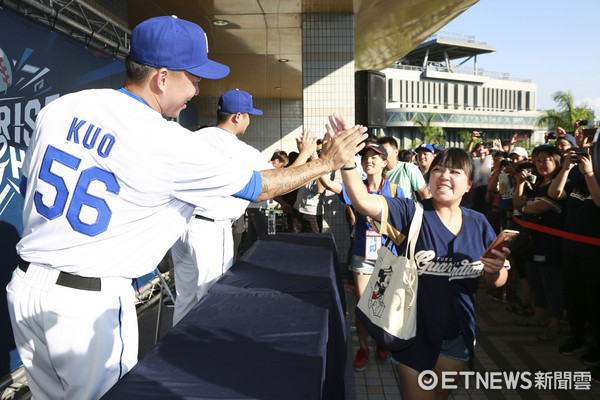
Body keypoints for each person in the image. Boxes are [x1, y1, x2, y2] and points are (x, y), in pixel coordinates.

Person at [7, 15, 368, 400]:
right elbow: (259, 187)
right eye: (193, 78)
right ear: (162, 78)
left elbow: (29, 184)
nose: (196, 90)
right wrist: (326, 162)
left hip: (26, 287)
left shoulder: (64, 107)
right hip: (86, 304)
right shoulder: (167, 140)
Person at [335, 138, 510, 398]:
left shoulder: (479, 223)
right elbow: (362, 201)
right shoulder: (410, 211)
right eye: (438, 169)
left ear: (469, 184)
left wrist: (496, 270)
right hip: (411, 332)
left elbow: (499, 279)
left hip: (457, 335)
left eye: (455, 171)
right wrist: (347, 162)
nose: (444, 176)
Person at [170, 89, 314, 325]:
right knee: (211, 296)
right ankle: (202, 355)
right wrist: (306, 153)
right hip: (210, 228)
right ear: (237, 116)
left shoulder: (194, 138)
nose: (249, 120)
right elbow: (279, 184)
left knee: (185, 297)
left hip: (181, 223)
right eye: (248, 115)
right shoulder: (239, 150)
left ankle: (174, 353)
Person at [319, 143, 405, 371]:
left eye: (374, 158)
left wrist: (384, 228)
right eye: (365, 157)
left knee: (382, 303)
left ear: (385, 163)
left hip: (388, 256)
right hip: (361, 254)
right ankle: (364, 347)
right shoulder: (356, 188)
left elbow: (404, 228)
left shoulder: (396, 190)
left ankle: (381, 342)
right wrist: (325, 158)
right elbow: (328, 183)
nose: (369, 161)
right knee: (363, 304)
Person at [548, 150, 600, 366]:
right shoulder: (576, 184)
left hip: (594, 255)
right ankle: (576, 336)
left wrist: (590, 174)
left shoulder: (591, 181)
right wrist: (566, 168)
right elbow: (554, 193)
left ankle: (595, 345)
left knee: (595, 301)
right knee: (575, 297)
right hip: (571, 251)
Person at [513, 145, 565, 342]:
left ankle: (554, 323)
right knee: (536, 280)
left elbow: (544, 205)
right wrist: (519, 184)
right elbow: (518, 205)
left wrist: (527, 208)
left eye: (546, 159)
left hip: (551, 245)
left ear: (557, 161)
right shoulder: (536, 184)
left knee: (551, 284)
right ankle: (539, 315)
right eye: (537, 159)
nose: (541, 164)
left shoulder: (560, 184)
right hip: (533, 243)